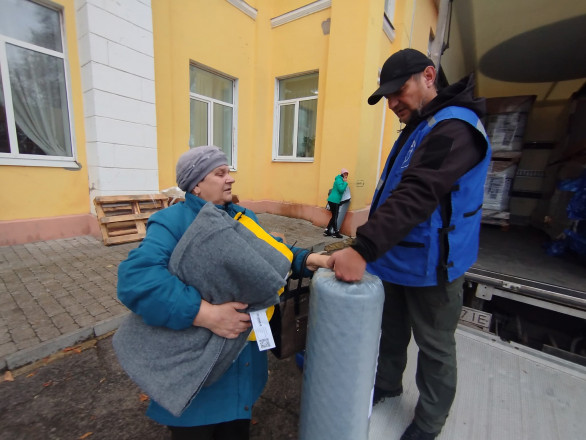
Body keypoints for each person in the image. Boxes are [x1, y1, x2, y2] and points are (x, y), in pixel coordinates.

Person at [327, 49, 491, 440]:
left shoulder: (455, 129)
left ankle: (429, 422)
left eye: (398, 91)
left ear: (428, 76)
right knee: (391, 331)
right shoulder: (421, 125)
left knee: (435, 347)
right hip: (397, 258)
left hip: (433, 266)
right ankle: (387, 383)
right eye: (387, 96)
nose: (392, 103)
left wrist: (362, 249)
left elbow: (417, 193)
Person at [117, 145, 329, 440]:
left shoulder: (241, 216)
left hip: (243, 366)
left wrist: (312, 260)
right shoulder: (172, 222)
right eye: (220, 173)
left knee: (236, 428)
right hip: (197, 373)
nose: (230, 178)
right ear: (196, 185)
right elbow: (136, 278)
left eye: (228, 172)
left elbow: (269, 253)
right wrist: (204, 314)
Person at [324, 168, 349, 238]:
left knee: (334, 216)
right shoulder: (339, 180)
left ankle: (327, 231)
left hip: (334, 200)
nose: (346, 175)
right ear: (342, 174)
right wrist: (345, 183)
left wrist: (344, 182)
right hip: (334, 200)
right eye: (345, 173)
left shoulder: (340, 180)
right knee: (335, 216)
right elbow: (341, 190)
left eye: (347, 174)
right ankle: (336, 232)